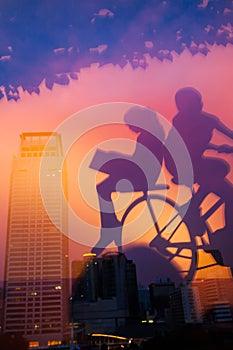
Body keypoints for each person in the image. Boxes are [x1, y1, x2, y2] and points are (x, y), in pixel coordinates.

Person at [164, 87, 233, 260]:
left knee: (228, 191)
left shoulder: (208, 120)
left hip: (196, 163)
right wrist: (218, 147)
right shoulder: (180, 121)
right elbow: (188, 146)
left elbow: (227, 134)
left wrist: (220, 147)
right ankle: (192, 209)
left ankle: (227, 231)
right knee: (219, 169)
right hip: (180, 163)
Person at [90, 105, 165, 255]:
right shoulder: (153, 133)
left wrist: (116, 160)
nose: (130, 128)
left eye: (130, 124)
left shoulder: (146, 137)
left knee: (103, 185)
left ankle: (110, 227)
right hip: (143, 174)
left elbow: (139, 162)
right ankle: (110, 225)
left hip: (142, 177)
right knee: (103, 186)